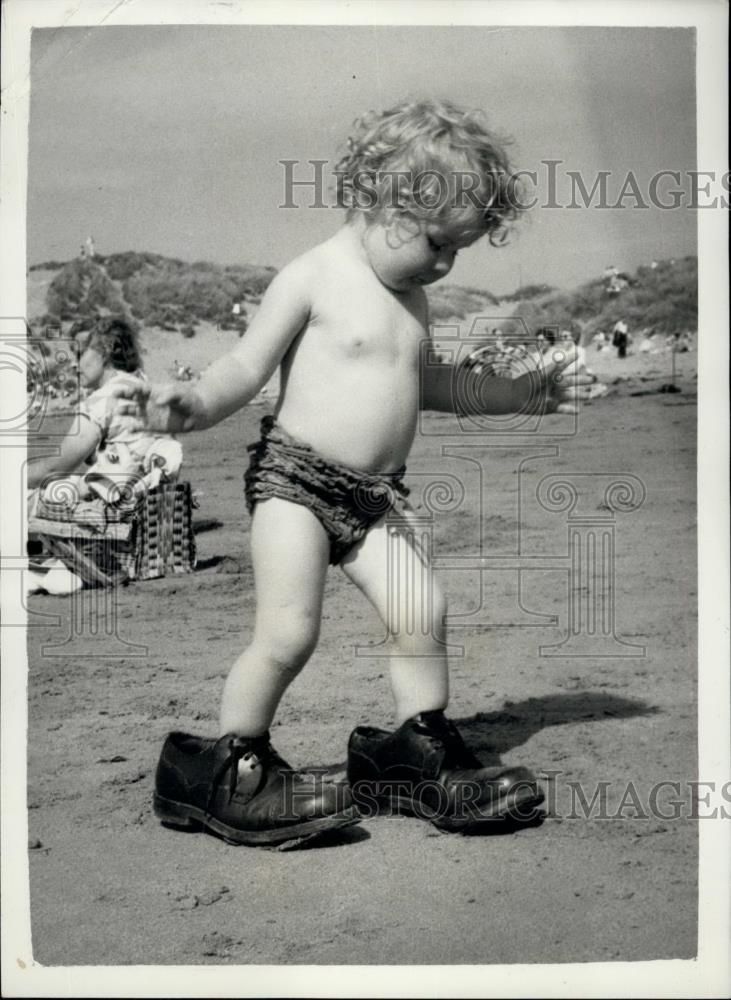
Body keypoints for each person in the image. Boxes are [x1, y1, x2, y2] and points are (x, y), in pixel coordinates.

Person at [125, 98, 591, 849]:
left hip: (374, 498)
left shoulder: (412, 299)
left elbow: (430, 383)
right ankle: (228, 765)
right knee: (288, 631)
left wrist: (519, 393)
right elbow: (246, 366)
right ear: (383, 200)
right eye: (437, 243)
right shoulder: (312, 277)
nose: (443, 263)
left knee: (422, 610)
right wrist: (195, 402)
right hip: (294, 485)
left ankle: (415, 748)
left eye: (457, 252)